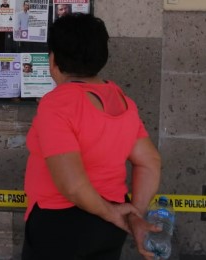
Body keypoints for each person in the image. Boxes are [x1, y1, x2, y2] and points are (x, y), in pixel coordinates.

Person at [21, 14, 162, 259]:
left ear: (53, 60)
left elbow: (73, 186)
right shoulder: (122, 101)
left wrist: (111, 213)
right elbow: (150, 162)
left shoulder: (58, 103)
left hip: (61, 226)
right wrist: (131, 215)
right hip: (109, 228)